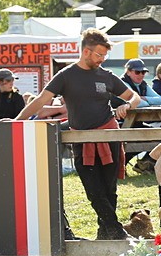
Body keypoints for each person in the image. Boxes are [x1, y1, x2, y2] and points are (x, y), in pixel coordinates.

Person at [16, 28, 142, 241]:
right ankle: (117, 231)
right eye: (99, 55)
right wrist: (16, 121)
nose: (102, 59)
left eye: (104, 56)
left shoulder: (106, 76)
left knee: (109, 190)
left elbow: (134, 96)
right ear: (86, 52)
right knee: (93, 190)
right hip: (81, 140)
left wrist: (128, 105)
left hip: (108, 135)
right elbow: (39, 101)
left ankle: (105, 233)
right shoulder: (66, 76)